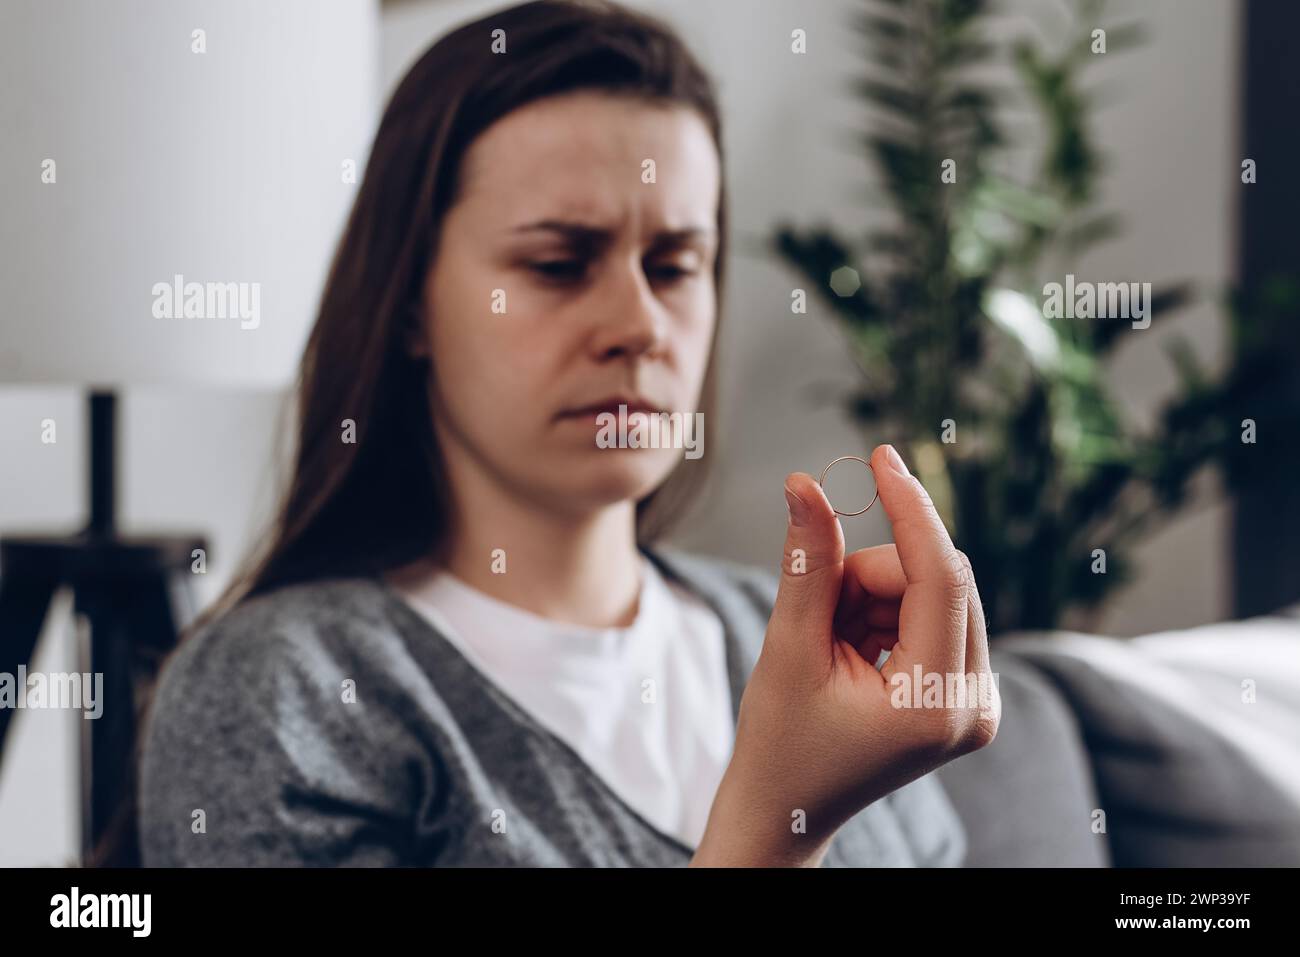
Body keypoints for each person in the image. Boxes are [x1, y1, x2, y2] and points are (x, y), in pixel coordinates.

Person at [137, 0, 999, 868]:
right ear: (408, 305)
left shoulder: (821, 648)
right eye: (557, 263)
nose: (640, 323)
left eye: (674, 266)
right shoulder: (287, 690)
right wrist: (780, 825)